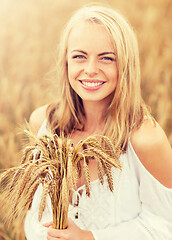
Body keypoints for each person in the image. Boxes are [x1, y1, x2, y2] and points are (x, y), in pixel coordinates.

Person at [24, 4, 172, 240]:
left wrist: (90, 237)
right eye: (79, 56)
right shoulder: (43, 124)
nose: (90, 69)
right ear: (66, 62)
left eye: (106, 58)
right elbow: (34, 213)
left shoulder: (145, 139)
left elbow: (165, 226)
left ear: (125, 66)